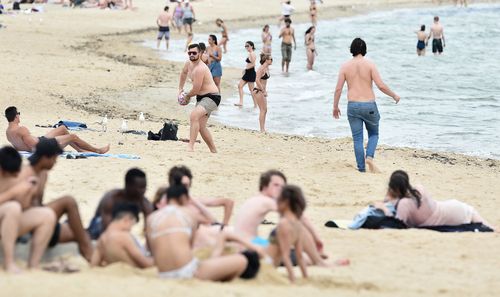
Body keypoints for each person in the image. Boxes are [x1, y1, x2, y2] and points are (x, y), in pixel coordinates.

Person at [147, 185, 263, 280]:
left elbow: (152, 250)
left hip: (163, 274)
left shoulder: (151, 219)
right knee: (242, 260)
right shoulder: (189, 214)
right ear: (183, 198)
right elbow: (190, 245)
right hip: (188, 272)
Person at [17, 138, 93, 261]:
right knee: (68, 201)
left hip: (40, 218)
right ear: (45, 158)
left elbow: (38, 204)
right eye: (54, 158)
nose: (55, 162)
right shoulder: (26, 173)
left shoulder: (43, 174)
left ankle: (87, 250)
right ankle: (88, 251)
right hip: (26, 222)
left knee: (80, 233)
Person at [234, 170, 331, 267]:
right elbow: (301, 217)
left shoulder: (254, 199)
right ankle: (319, 261)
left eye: (282, 187)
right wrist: (317, 239)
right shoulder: (266, 201)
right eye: (276, 185)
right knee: (297, 230)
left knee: (289, 247)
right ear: (264, 186)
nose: (280, 189)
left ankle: (314, 257)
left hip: (246, 244)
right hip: (248, 248)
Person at [332, 38, 400, 173]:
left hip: (353, 106)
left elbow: (338, 89)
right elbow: (380, 85)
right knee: (374, 134)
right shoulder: (370, 65)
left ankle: (361, 168)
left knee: (357, 138)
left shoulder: (345, 66)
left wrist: (335, 106)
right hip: (369, 106)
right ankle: (369, 156)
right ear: (364, 50)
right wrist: (394, 95)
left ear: (352, 49)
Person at [375, 170, 495, 230]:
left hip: (452, 217)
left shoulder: (404, 204)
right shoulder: (419, 189)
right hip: (454, 207)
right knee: (491, 228)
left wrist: (384, 209)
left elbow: (396, 224)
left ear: (393, 188)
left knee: (490, 229)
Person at [0, 146, 56, 272]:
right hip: (6, 215)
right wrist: (13, 192)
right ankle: (9, 263)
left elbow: (23, 207)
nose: (15, 177)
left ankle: (33, 265)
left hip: (7, 224)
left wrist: (29, 191)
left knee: (47, 215)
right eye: (12, 175)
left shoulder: (14, 174)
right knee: (12, 208)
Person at [5, 106, 109, 154]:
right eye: (18, 113)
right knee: (73, 137)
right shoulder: (21, 129)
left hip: (40, 140)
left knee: (62, 128)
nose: (19, 115)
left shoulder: (8, 132)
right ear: (15, 116)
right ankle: (97, 150)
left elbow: (19, 146)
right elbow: (34, 147)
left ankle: (79, 149)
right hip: (42, 145)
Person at [88, 168, 153, 240]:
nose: (142, 191)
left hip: (122, 232)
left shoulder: (144, 204)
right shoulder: (112, 198)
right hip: (99, 229)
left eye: (144, 187)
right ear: (128, 185)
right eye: (139, 188)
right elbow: (106, 228)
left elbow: (149, 231)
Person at [178, 44, 221, 153]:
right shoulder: (188, 63)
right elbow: (183, 73)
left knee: (194, 115)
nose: (191, 55)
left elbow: (196, 89)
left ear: (200, 53)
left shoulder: (200, 68)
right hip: (201, 97)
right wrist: (180, 89)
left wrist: (186, 96)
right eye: (189, 53)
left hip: (212, 97)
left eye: (194, 53)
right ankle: (213, 150)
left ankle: (190, 147)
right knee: (201, 127)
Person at [91, 203, 154, 268]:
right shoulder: (124, 236)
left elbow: (94, 265)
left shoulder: (102, 238)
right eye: (132, 225)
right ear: (126, 220)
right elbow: (145, 263)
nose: (130, 229)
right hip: (133, 273)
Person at [266, 185, 308, 283]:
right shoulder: (298, 224)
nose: (276, 202)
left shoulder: (283, 223)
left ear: (286, 202)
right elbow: (299, 256)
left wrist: (292, 280)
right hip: (270, 265)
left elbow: (286, 256)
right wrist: (305, 278)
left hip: (264, 265)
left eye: (278, 199)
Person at [253, 54, 273, 132]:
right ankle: (262, 129)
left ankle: (263, 128)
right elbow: (257, 80)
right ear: (266, 60)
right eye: (271, 59)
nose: (272, 61)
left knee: (265, 110)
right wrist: (263, 91)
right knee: (262, 110)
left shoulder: (266, 68)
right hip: (258, 91)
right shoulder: (261, 68)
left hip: (262, 91)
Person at [236, 41, 257, 107]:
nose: (246, 47)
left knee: (251, 90)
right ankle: (241, 102)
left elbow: (253, 64)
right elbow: (250, 63)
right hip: (248, 72)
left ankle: (256, 105)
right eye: (245, 46)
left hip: (251, 73)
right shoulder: (250, 53)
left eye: (247, 46)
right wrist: (246, 69)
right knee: (240, 86)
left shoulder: (252, 54)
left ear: (252, 46)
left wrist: (246, 69)